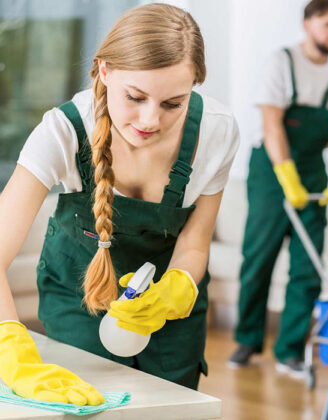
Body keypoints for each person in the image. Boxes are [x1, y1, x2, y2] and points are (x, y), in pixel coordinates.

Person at [0, 3, 239, 405]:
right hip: (81, 300)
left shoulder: (216, 132)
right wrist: (11, 351)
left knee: (171, 410)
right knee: (89, 405)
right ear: (105, 71)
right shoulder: (63, 132)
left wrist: (177, 288)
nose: (150, 120)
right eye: (135, 96)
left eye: (172, 103)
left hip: (166, 312)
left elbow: (196, 242)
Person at [229, 0, 328, 377]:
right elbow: (272, 124)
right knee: (260, 256)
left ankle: (288, 349)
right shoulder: (281, 62)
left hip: (314, 169)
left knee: (308, 262)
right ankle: (247, 339)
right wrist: (287, 177)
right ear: (308, 24)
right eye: (326, 24)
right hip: (272, 169)